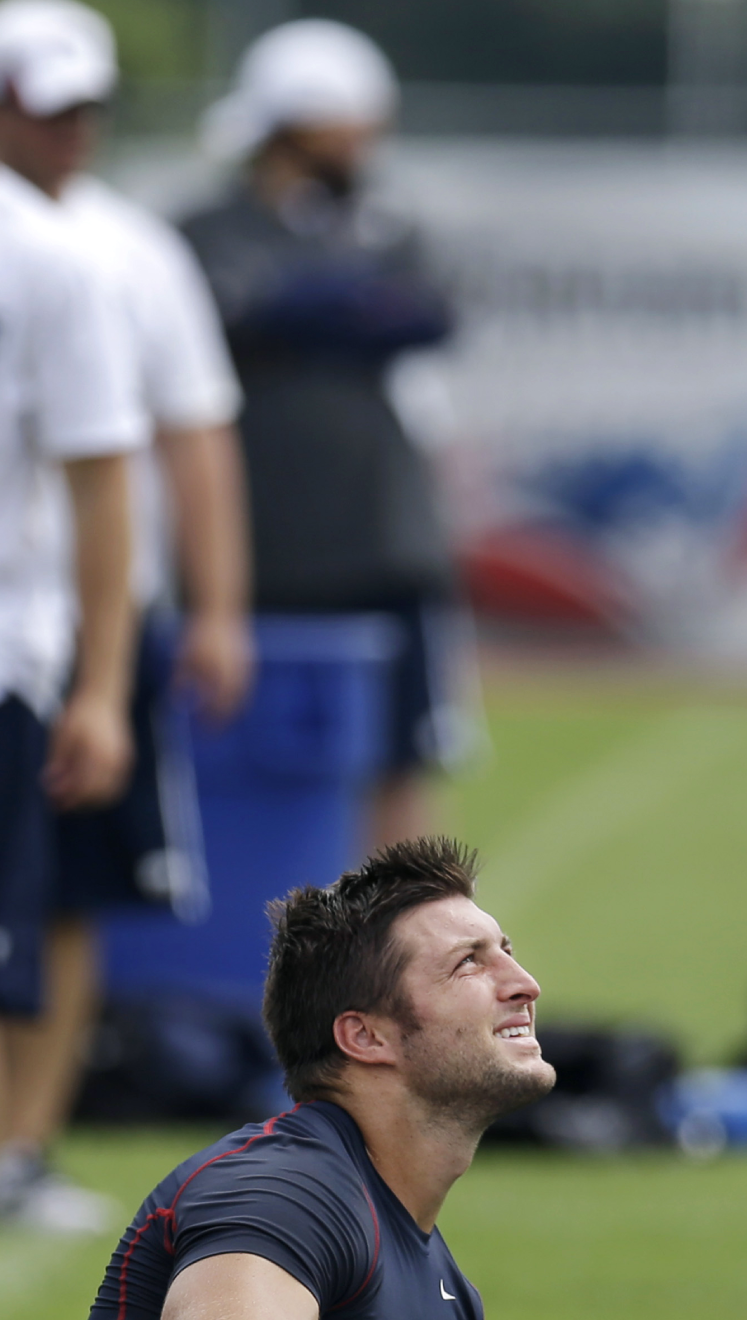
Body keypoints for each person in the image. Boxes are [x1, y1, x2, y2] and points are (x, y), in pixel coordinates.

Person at [0, 0, 253, 1233]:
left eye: (87, 107)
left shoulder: (103, 256)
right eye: (46, 106)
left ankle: (22, 1147)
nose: (73, 129)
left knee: (61, 895)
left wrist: (207, 613)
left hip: (46, 634)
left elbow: (163, 451)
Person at [181, 19, 476, 851]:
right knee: (247, 767)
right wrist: (334, 304)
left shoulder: (389, 225)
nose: (368, 145)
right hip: (256, 548)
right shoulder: (208, 228)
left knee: (402, 763)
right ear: (300, 125)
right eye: (354, 126)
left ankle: (410, 933)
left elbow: (426, 313)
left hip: (381, 540)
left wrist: (293, 307)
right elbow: (231, 309)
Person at [90, 837, 554, 1318]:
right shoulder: (281, 1196)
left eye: (506, 952)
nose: (526, 984)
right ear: (366, 1036)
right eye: (468, 963)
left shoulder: (449, 1288)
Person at [0, 5, 146, 1223]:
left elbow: (106, 482)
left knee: (31, 926)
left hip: (7, 657)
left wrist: (100, 686)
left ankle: (16, 1153)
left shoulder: (51, 260)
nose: (71, 131)